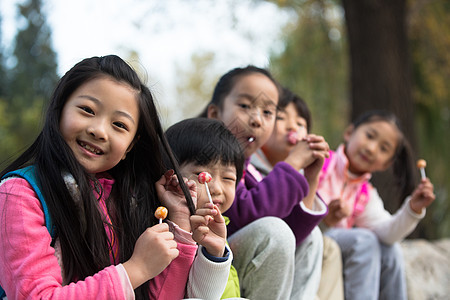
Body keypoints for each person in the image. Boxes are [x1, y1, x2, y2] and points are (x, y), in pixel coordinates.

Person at [0, 55, 231, 299]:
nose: (98, 130)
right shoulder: (19, 194)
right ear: (59, 110)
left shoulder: (128, 201)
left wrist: (180, 222)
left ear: (131, 146)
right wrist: (135, 270)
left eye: (119, 125)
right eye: (87, 110)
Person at [199, 65, 330, 299]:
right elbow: (246, 215)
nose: (257, 120)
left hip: (234, 255)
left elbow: (294, 235)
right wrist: (292, 164)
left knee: (312, 238)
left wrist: (311, 178)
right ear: (215, 113)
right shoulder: (203, 157)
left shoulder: (248, 168)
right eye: (245, 106)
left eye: (268, 112)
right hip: (207, 260)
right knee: (274, 231)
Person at [317, 110, 436, 300]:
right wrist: (323, 217)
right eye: (369, 136)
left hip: (336, 246)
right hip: (312, 238)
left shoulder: (366, 194)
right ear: (349, 133)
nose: (372, 148)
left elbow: (387, 233)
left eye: (383, 149)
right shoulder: (319, 162)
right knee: (365, 240)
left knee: (391, 250)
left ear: (385, 165)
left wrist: (413, 209)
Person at [251, 86, 344, 300]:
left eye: (301, 123)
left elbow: (302, 225)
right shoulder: (251, 165)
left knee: (326, 245)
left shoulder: (299, 172)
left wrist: (312, 177)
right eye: (281, 118)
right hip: (261, 248)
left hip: (289, 243)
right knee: (316, 238)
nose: (292, 126)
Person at [165, 117, 245, 299]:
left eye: (228, 178)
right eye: (202, 175)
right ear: (170, 174)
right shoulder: (163, 229)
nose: (216, 188)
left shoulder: (218, 229)